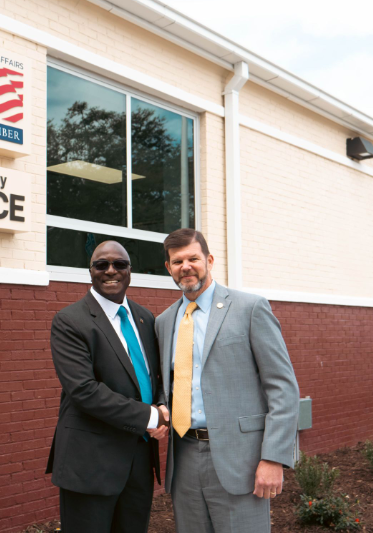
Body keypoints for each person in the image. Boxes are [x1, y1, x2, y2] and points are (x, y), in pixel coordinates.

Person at [155, 228, 299, 533]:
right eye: (177, 261)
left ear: (208, 259)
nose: (186, 266)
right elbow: (170, 383)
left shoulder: (250, 308)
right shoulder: (164, 321)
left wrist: (274, 458)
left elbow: (282, 387)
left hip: (241, 459)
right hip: (183, 457)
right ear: (169, 268)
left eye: (193, 258)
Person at [46, 240, 170, 533]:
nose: (110, 270)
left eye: (119, 264)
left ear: (130, 271)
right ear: (90, 271)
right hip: (91, 463)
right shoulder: (69, 321)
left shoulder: (144, 317)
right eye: (101, 265)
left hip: (139, 461)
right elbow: (84, 391)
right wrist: (152, 417)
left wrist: (162, 403)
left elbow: (155, 377)